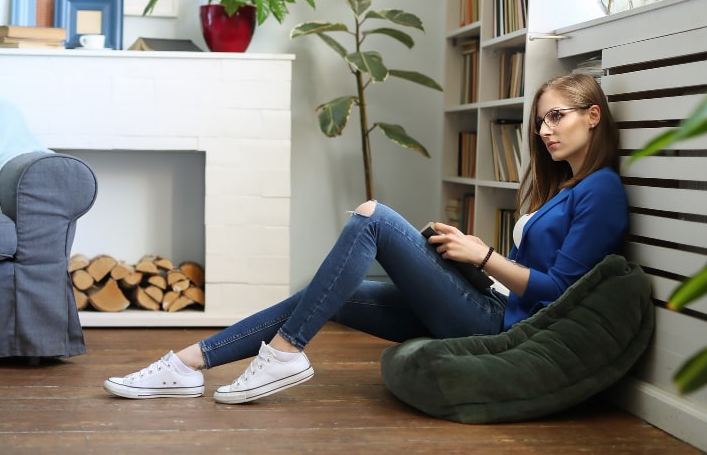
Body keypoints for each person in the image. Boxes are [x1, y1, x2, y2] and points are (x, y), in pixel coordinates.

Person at [103, 73, 629, 404]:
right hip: (489, 300)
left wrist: (484, 255)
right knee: (326, 295)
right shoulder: (566, 185)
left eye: (556, 117)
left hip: (501, 324)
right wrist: (469, 254)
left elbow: (559, 291)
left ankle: (285, 353)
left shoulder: (601, 191)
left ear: (593, 115)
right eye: (541, 121)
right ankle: (188, 363)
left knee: (372, 217)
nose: (545, 130)